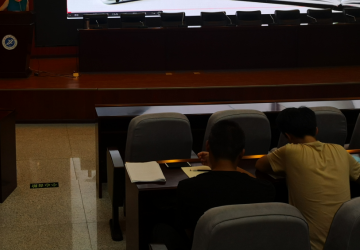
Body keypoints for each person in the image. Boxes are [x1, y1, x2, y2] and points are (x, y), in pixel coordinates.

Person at [152, 120, 275, 250]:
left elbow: (189, 233)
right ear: (242, 153)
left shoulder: (188, 188)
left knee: (160, 228)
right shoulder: (266, 190)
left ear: (208, 146)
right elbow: (255, 182)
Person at [256, 106, 360, 250]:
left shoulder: (290, 151)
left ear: (288, 137)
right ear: (316, 130)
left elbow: (260, 165)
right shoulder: (340, 151)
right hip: (348, 243)